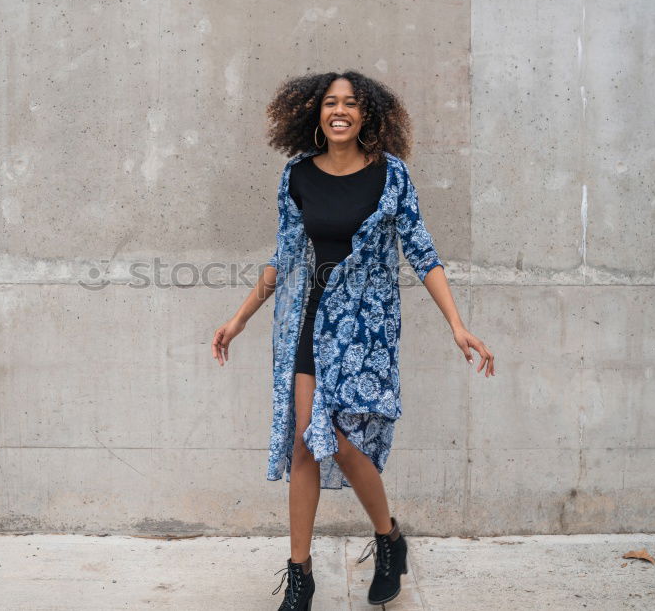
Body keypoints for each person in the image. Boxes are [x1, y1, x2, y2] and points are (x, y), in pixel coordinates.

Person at [212, 71, 495, 610]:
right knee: (304, 441)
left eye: (351, 103)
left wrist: (457, 324)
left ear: (368, 114)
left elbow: (423, 252)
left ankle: (388, 539)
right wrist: (241, 317)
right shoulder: (297, 175)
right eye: (330, 103)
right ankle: (300, 575)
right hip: (310, 322)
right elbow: (285, 253)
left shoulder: (391, 176)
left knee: (342, 441)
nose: (339, 110)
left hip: (366, 328)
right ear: (315, 113)